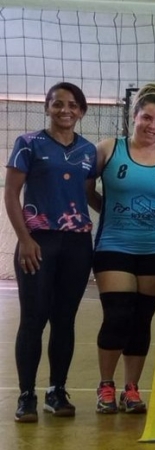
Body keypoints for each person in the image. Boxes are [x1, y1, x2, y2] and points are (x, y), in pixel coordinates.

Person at [86, 83, 155, 415]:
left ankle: (131, 388)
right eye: (147, 117)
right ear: (134, 116)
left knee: (141, 320)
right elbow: (87, 190)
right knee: (117, 315)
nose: (152, 126)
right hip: (114, 245)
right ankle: (106, 385)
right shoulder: (108, 149)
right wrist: (112, 211)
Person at [5, 82, 97, 422]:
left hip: (76, 244)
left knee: (64, 321)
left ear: (82, 111)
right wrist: (25, 238)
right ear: (47, 107)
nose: (65, 110)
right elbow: (11, 194)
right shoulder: (28, 144)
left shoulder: (89, 150)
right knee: (33, 319)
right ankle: (26, 395)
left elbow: (88, 194)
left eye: (72, 105)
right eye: (58, 104)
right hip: (38, 241)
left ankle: (57, 391)